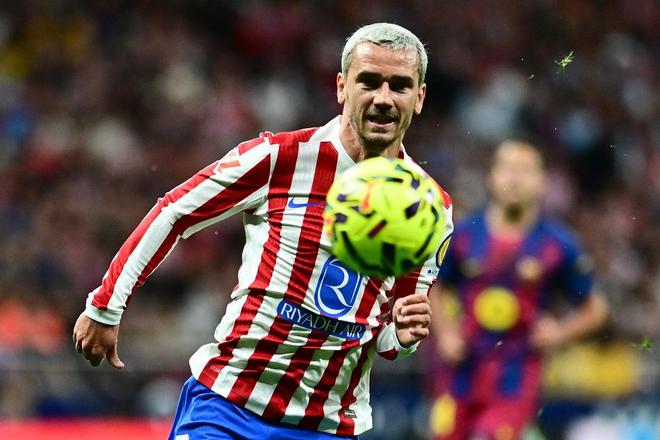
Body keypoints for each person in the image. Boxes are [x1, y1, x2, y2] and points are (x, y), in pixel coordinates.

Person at [73, 23, 454, 439]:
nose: (383, 98)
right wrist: (106, 305)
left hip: (326, 426)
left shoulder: (431, 209)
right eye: (369, 81)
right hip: (228, 406)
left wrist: (405, 336)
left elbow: (388, 340)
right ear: (342, 87)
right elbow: (175, 212)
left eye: (399, 86)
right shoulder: (281, 158)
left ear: (419, 97)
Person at [427, 140, 609, 440]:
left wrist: (559, 333)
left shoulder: (557, 243)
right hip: (459, 372)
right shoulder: (463, 235)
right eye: (508, 168)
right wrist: (445, 333)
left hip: (516, 377)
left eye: (525, 170)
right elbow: (432, 283)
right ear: (492, 176)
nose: (515, 178)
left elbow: (596, 309)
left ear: (541, 181)